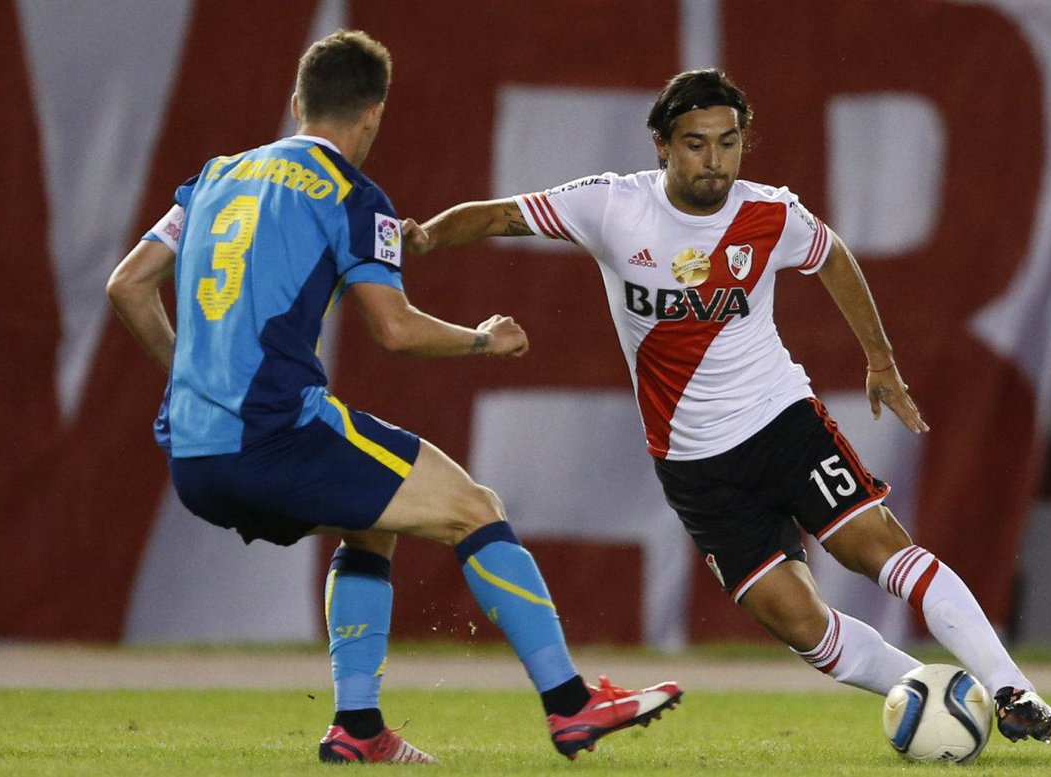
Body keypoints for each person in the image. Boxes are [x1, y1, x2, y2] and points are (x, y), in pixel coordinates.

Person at [404, 68, 1051, 745]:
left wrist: (881, 359)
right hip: (694, 465)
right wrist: (425, 236)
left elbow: (832, 255)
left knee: (878, 548)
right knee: (802, 625)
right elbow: (499, 214)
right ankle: (936, 693)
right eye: (696, 144)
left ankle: (1013, 690)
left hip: (782, 422)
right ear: (662, 145)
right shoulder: (612, 206)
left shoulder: (770, 214)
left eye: (728, 142)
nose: (714, 160)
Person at [106, 29, 681, 765]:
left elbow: (128, 284)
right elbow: (396, 329)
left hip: (193, 456)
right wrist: (483, 339)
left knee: (371, 524)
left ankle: (358, 726)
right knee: (475, 508)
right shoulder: (353, 196)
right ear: (374, 113)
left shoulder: (215, 177)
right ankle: (572, 705)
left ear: (297, 103)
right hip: (276, 435)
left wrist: (189, 371)